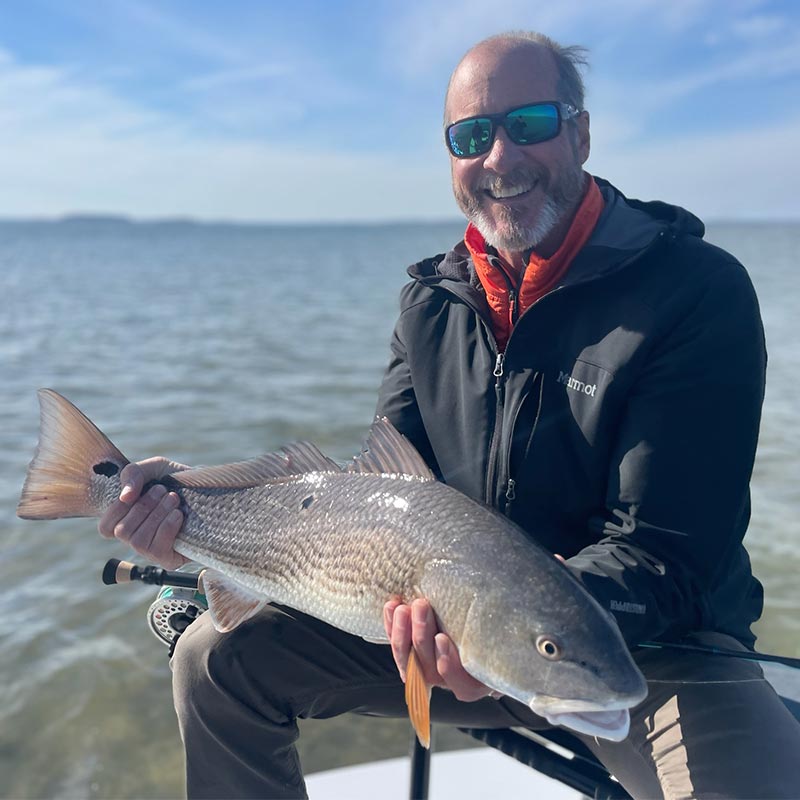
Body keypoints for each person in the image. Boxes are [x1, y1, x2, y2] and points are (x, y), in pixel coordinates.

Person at [98, 31, 800, 799]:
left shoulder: (694, 291)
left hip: (640, 650)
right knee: (213, 662)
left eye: (529, 122)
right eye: (470, 136)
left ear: (583, 132)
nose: (499, 158)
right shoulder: (431, 301)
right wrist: (189, 505)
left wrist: (508, 631)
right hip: (436, 622)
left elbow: (670, 553)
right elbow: (377, 483)